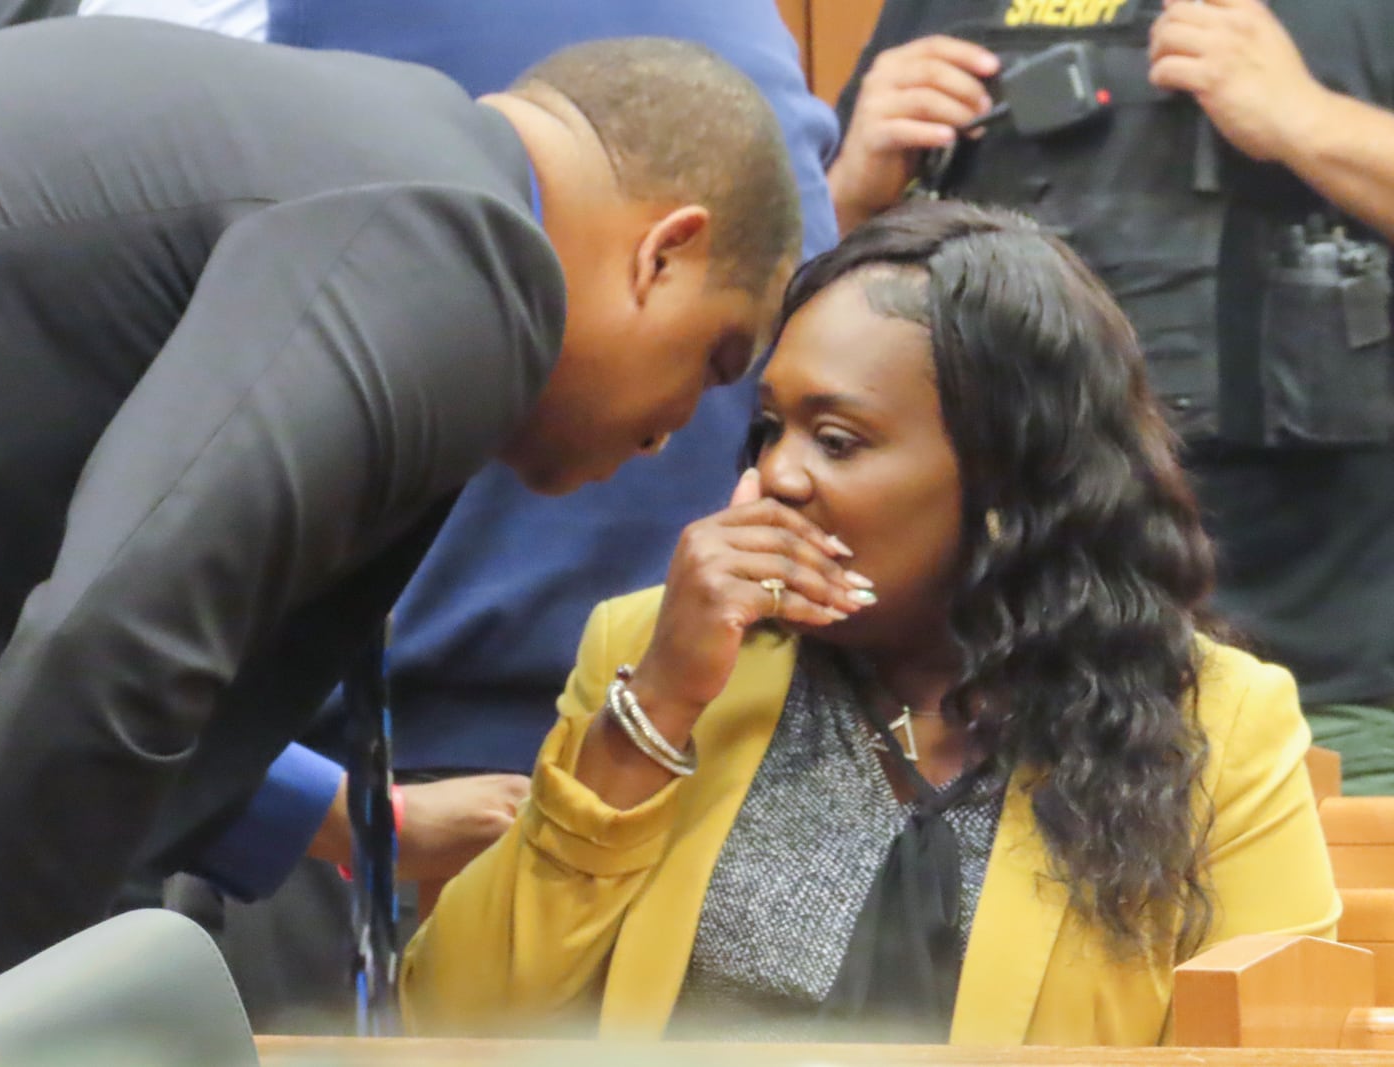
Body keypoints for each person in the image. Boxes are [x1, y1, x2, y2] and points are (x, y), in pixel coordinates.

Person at [0, 20, 801, 1026]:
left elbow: (90, 602)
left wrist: (356, 822)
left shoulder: (367, 146)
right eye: (716, 362)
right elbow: (119, 634)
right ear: (666, 252)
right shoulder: (466, 245)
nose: (675, 434)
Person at [400, 200, 1338, 1044]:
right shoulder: (654, 655)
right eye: (771, 427)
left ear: (1005, 478)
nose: (779, 475)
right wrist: (657, 704)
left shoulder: (1212, 721)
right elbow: (454, 1017)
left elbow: (1269, 1040)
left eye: (837, 439)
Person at [826, 0, 1394, 795]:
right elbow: (800, 332)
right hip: (990, 690)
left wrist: (1309, 122)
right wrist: (852, 189)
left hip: (1329, 693)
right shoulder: (932, 12)